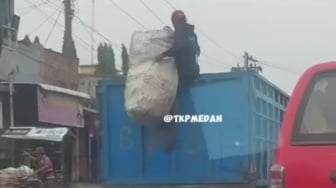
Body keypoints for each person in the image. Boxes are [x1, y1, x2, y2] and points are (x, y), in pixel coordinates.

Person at [156, 10, 201, 152]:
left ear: (174, 21)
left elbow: (180, 47)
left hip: (184, 73)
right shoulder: (191, 32)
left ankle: (171, 139)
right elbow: (197, 50)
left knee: (171, 100)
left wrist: (163, 55)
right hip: (193, 71)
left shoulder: (180, 31)